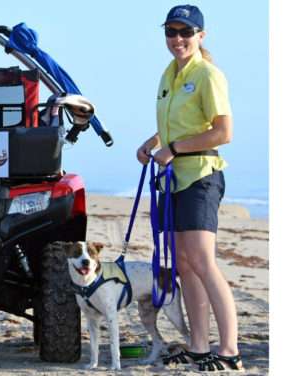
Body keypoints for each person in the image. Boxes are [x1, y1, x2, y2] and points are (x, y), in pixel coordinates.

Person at [136, 4, 243, 372]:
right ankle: (199, 346)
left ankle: (229, 350)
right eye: (171, 32)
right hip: (174, 180)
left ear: (201, 35)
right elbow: (179, 124)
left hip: (201, 175)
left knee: (202, 261)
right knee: (182, 263)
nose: (177, 39)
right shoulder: (170, 74)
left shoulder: (209, 75)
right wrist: (153, 143)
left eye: (186, 32)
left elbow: (222, 132)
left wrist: (175, 149)